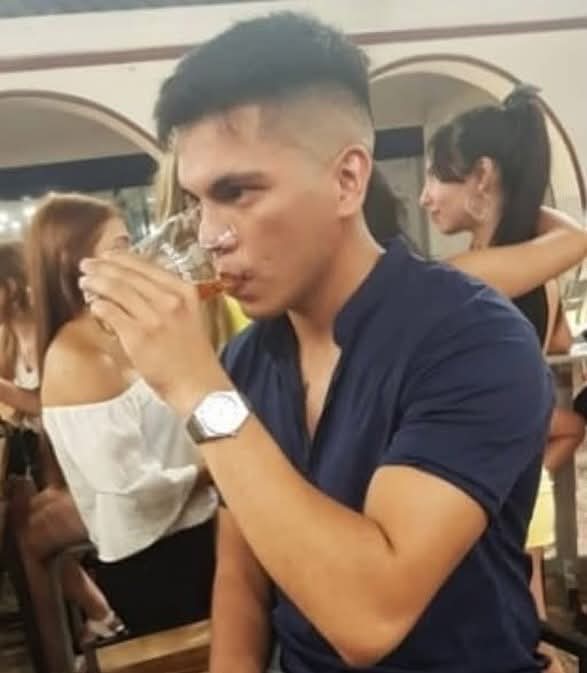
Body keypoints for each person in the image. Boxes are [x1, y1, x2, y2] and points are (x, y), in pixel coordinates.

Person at [77, 13, 587, 673]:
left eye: (237, 193)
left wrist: (195, 388)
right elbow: (241, 578)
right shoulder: (246, 358)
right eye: (198, 202)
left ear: (347, 179)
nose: (207, 236)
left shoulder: (475, 338)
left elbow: (369, 615)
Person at [420, 88, 586, 668]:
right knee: (524, 620)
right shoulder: (534, 270)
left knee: (509, 628)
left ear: (482, 176)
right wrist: (515, 199)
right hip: (518, 471)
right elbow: (574, 237)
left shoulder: (472, 273)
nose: (425, 196)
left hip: (484, 476)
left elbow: (579, 237)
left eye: (437, 177)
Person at [26, 193, 218, 639]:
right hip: (156, 560)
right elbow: (131, 493)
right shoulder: (75, 357)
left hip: (199, 529)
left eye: (130, 244)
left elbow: (192, 403)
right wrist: (214, 469)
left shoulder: (121, 330)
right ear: (73, 262)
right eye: (119, 248)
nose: (137, 259)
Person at [0, 241, 123, 672]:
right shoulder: (8, 335)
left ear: (9, 286)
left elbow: (50, 402)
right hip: (54, 460)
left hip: (91, 461)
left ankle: (86, 629)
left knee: (22, 528)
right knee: (19, 511)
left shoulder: (52, 329)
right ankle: (89, 623)